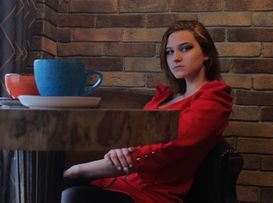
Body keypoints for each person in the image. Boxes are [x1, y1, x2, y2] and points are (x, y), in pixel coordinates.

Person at [62, 20, 233, 203]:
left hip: (150, 195)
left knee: (72, 194)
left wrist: (78, 170)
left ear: (206, 53)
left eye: (185, 48)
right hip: (115, 182)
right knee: (51, 184)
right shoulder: (163, 98)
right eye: (169, 52)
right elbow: (131, 137)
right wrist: (123, 145)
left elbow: (169, 144)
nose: (175, 57)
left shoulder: (214, 99)